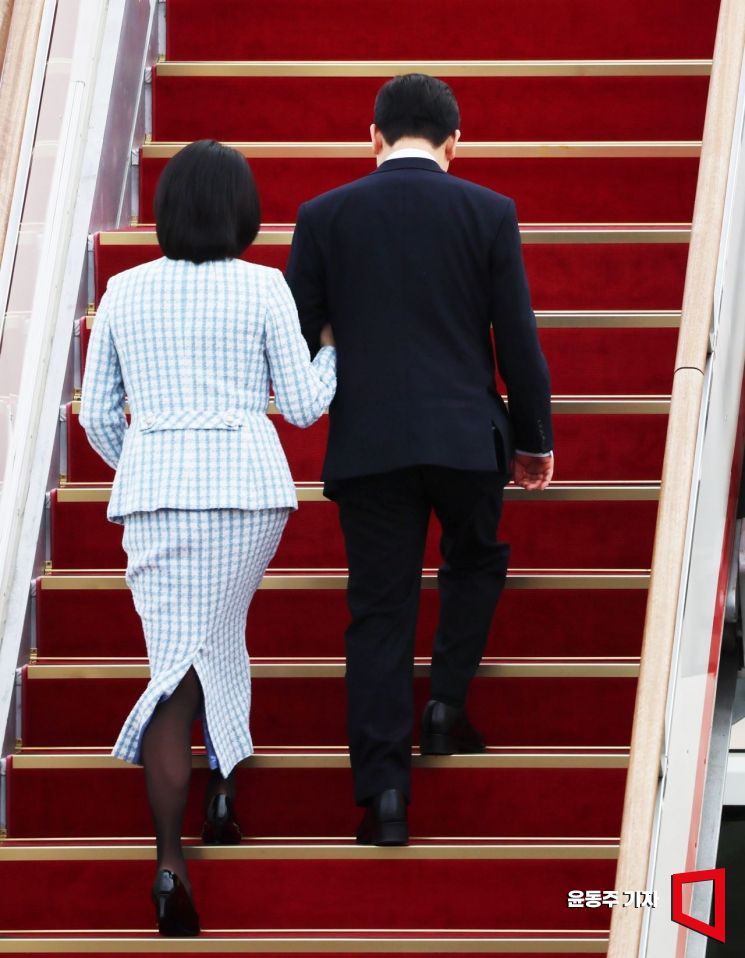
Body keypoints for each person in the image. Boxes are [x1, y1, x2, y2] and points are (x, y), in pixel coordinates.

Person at [286, 74, 553, 846]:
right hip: (466, 436)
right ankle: (445, 704)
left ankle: (383, 795)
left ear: (371, 136)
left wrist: (337, 338)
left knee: (378, 611)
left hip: (369, 445)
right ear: (453, 141)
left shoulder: (322, 216)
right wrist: (532, 436)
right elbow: (518, 338)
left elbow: (295, 338)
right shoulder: (488, 212)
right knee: (475, 560)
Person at [80, 140, 336, 935]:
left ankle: (169, 860)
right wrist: (332, 350)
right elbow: (300, 406)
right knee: (210, 643)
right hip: (246, 497)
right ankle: (221, 790)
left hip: (155, 498)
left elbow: (94, 417)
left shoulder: (122, 291)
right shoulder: (264, 288)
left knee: (183, 654)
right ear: (241, 210)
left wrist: (150, 461)